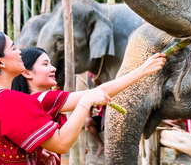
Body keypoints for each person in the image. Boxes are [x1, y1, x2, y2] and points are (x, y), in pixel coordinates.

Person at [0, 31, 166, 165]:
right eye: (13, 48)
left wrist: (37, 154)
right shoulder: (11, 101)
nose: (19, 51)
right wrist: (86, 102)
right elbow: (62, 144)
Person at [11, 47, 166, 161]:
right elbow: (99, 91)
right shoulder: (43, 98)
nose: (53, 68)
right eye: (45, 64)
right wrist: (142, 70)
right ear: (27, 72)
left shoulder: (26, 101)